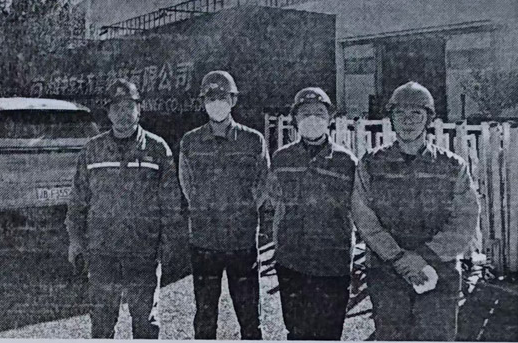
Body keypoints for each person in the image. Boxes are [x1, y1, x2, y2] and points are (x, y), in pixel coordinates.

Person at [352, 81, 480, 341]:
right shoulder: (371, 164)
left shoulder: (453, 166)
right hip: (387, 272)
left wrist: (423, 257)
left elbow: (465, 220)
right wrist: (398, 258)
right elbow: (364, 218)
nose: (408, 121)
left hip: (439, 271)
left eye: (416, 114)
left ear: (429, 119)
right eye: (400, 114)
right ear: (391, 119)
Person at [66, 78, 183, 339]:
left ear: (139, 109)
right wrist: (75, 240)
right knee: (102, 324)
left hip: (143, 252)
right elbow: (78, 202)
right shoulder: (92, 150)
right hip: (102, 252)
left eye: (129, 106)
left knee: (145, 323)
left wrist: (169, 244)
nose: (123, 113)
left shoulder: (157, 149)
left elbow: (171, 204)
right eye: (116, 107)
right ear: (108, 112)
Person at [178, 70, 269, 340]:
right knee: (205, 318)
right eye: (211, 98)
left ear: (233, 100)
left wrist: (241, 211)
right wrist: (206, 209)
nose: (217, 103)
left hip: (242, 241)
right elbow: (187, 185)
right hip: (204, 242)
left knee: (250, 317)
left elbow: (262, 183)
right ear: (203, 102)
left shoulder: (253, 140)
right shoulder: (190, 141)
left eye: (223, 97)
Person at [269, 87, 357, 340]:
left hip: (333, 264)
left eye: (319, 113)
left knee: (329, 334)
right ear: (295, 119)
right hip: (292, 262)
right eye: (305, 113)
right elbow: (275, 201)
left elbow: (358, 210)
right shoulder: (281, 159)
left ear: (330, 118)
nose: (312, 119)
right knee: (297, 332)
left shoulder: (347, 162)